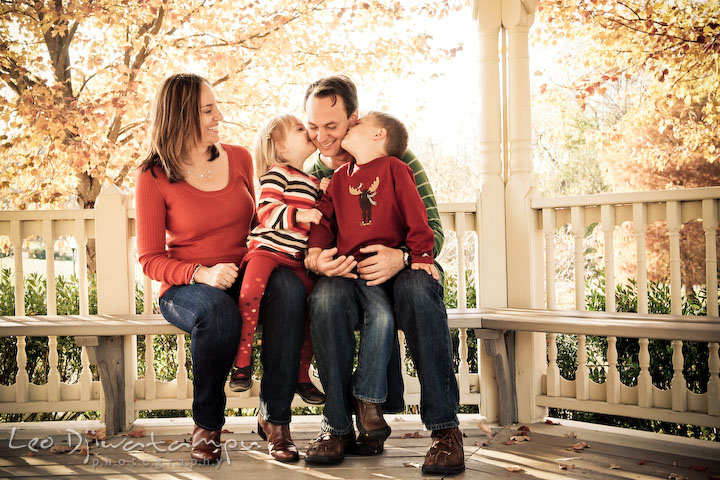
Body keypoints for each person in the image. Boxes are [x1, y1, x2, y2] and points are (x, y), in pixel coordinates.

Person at [136, 73, 306, 464]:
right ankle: (208, 425)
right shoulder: (153, 175)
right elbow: (149, 259)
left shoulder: (241, 158)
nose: (220, 116)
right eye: (208, 110)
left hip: (245, 271)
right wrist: (203, 273)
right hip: (187, 287)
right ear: (181, 116)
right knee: (218, 311)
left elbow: (265, 219)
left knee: (289, 289)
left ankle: (275, 419)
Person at [302, 76, 465, 475]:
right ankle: (337, 426)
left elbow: (430, 228)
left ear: (354, 121)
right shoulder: (310, 169)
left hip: (404, 266)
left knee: (418, 292)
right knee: (325, 297)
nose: (321, 137)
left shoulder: (397, 160)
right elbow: (310, 225)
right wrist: (315, 259)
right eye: (312, 126)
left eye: (332, 126)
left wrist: (405, 257)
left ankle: (445, 430)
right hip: (349, 271)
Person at [229, 114, 325, 406]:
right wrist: (300, 215)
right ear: (281, 147)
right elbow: (267, 212)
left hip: (296, 258)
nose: (307, 130)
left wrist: (324, 192)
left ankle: (301, 374)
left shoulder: (312, 182)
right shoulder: (276, 173)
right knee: (249, 296)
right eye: (299, 129)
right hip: (267, 251)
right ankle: (242, 361)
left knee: (311, 312)